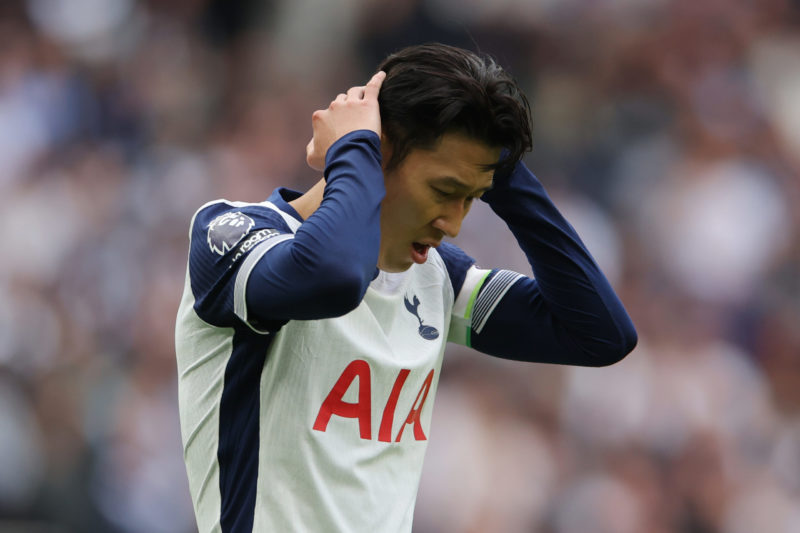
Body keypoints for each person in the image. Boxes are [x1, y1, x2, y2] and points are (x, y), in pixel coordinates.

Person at [175, 43, 637, 533]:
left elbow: (601, 333)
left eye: (473, 198)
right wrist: (352, 150)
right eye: (444, 191)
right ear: (379, 150)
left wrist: (502, 170)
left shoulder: (437, 279)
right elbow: (333, 278)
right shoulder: (232, 237)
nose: (454, 224)